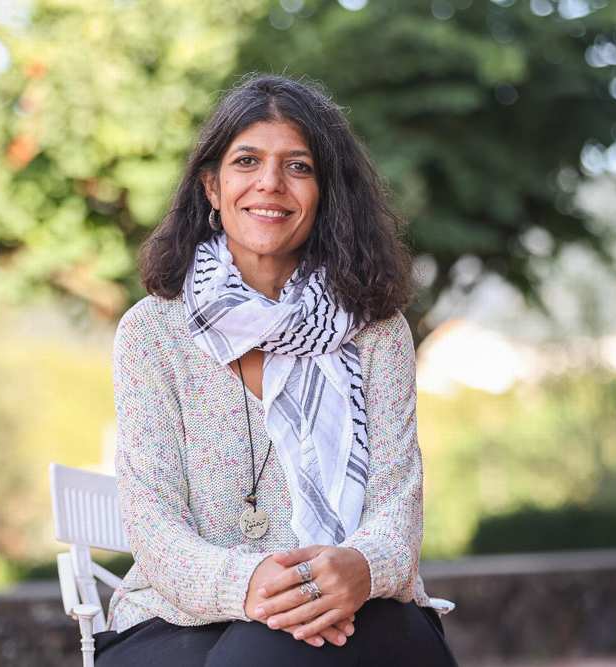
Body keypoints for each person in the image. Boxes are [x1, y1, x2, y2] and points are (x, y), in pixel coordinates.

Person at [97, 73, 460, 666]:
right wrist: (252, 584)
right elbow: (154, 527)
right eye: (247, 161)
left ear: (326, 193)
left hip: (353, 605)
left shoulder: (375, 331)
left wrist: (360, 566)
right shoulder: (153, 332)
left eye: (299, 166)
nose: (270, 183)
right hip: (175, 618)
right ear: (212, 187)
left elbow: (398, 507)